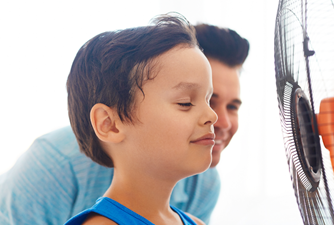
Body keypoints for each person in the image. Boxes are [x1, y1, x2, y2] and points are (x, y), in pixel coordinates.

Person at [0, 20, 249, 225]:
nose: (215, 118)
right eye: (185, 102)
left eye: (207, 100)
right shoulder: (54, 164)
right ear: (109, 124)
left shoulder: (198, 212)